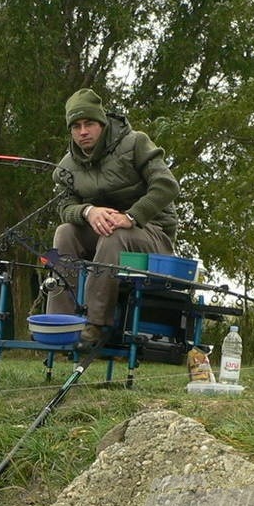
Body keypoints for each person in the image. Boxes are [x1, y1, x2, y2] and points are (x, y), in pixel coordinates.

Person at [46, 88, 180, 344]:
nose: (83, 131)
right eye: (76, 126)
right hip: (105, 235)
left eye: (89, 124)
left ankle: (96, 325)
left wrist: (130, 217)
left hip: (153, 235)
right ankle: (59, 325)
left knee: (113, 234)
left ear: (102, 123)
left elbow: (167, 185)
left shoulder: (135, 142)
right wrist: (88, 211)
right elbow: (64, 205)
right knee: (64, 231)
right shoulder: (67, 166)